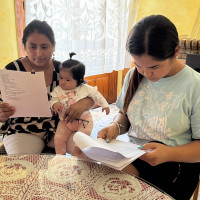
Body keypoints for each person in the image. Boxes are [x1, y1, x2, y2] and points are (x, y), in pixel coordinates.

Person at [98, 15, 200, 200]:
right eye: (138, 65)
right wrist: (115, 126)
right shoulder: (133, 76)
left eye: (154, 66)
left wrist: (169, 153)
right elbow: (124, 115)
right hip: (134, 156)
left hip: (176, 163)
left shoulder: (195, 86)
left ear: (176, 51)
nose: (146, 73)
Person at [0, 19, 94, 155]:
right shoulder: (13, 70)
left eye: (44, 46)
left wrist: (84, 103)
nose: (39, 53)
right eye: (32, 46)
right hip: (23, 130)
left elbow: (89, 94)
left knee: (85, 152)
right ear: (24, 46)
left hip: (61, 127)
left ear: (53, 46)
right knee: (24, 168)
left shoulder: (62, 69)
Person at [50, 52, 110, 155]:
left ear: (79, 80)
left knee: (82, 139)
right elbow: (52, 99)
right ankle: (60, 158)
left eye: (68, 79)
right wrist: (54, 104)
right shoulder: (57, 89)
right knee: (58, 138)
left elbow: (97, 96)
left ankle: (77, 154)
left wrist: (105, 105)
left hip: (84, 120)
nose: (63, 82)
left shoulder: (85, 89)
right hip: (65, 122)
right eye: (61, 78)